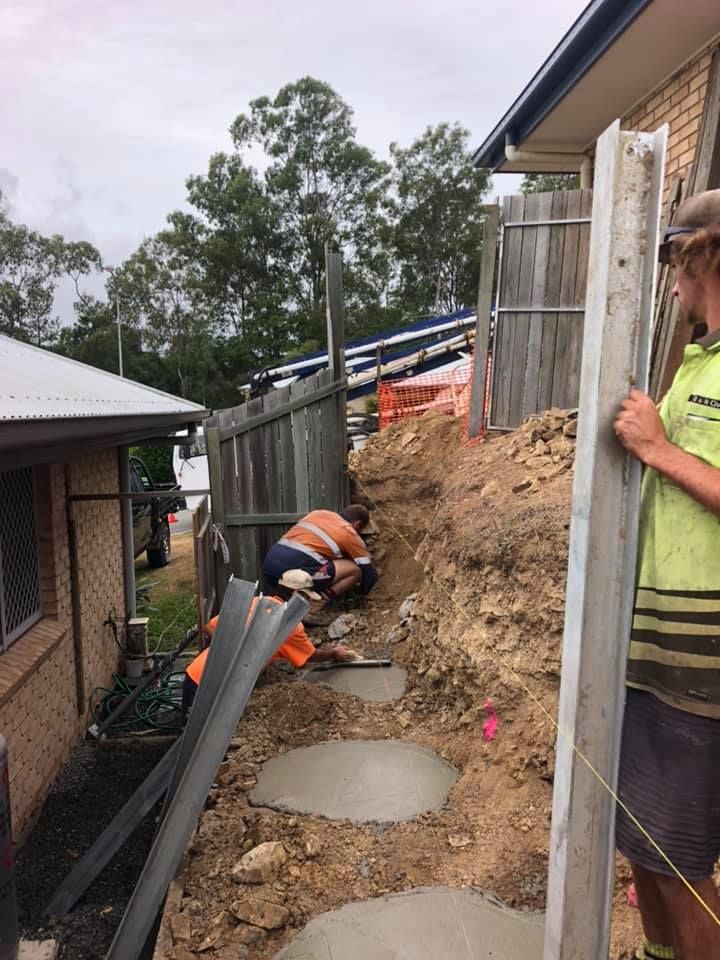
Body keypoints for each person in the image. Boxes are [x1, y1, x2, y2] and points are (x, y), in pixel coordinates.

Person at [613, 189, 720, 960]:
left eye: (675, 262)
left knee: (680, 862)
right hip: (657, 649)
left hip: (702, 656)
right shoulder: (699, 361)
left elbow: (673, 461)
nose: (671, 284)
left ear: (700, 257)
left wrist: (658, 450)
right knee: (647, 844)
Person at [181, 570, 359, 719]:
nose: (308, 604)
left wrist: (230, 650)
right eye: (306, 598)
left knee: (190, 736)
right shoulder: (290, 625)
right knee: (202, 739)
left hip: (196, 672)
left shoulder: (255, 602)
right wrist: (334, 653)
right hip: (217, 687)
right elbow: (309, 657)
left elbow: (210, 628)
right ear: (296, 594)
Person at [262, 504, 378, 602]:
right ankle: (316, 605)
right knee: (355, 570)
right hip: (297, 574)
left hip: (270, 570)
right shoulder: (349, 533)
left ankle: (282, 601)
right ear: (357, 524)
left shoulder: (318, 513)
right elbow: (369, 573)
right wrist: (361, 594)